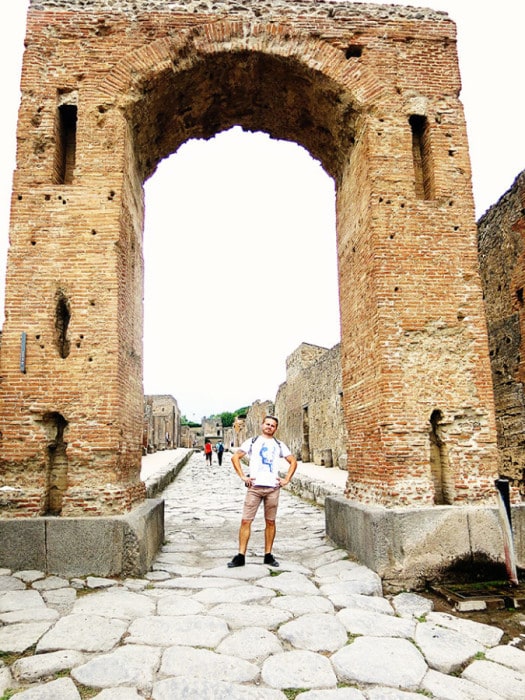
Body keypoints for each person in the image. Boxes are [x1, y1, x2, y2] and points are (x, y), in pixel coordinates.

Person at [228, 415, 297, 568]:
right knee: (246, 520)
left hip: (273, 488)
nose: (269, 427)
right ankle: (240, 556)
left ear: (276, 428)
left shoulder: (279, 444)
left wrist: (286, 479)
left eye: (272, 425)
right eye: (267, 424)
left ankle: (268, 555)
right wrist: (242, 476)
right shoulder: (252, 442)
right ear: (262, 425)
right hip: (255, 488)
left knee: (270, 522)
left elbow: (293, 461)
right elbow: (235, 457)